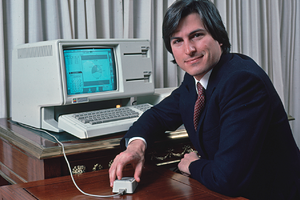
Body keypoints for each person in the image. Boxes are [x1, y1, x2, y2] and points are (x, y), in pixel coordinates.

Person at [109, 0, 300, 199]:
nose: (189, 49)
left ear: (219, 37)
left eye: (197, 35)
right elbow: (158, 115)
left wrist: (192, 164)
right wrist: (136, 146)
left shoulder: (242, 81)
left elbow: (228, 179)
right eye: (178, 41)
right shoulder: (195, 80)